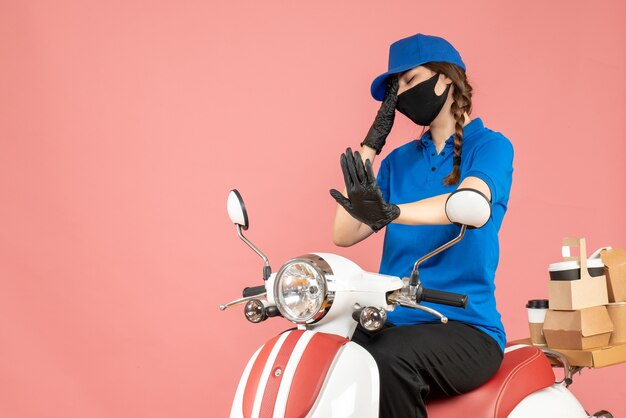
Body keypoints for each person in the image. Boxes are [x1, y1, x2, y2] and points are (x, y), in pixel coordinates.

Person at [329, 33, 514, 417]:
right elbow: (344, 235)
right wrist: (371, 147)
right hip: (391, 319)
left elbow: (470, 204)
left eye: (411, 81)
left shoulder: (490, 146)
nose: (402, 96)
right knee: (324, 351)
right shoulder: (398, 160)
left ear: (446, 79)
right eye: (395, 92)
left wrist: (393, 211)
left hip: (465, 327)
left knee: (385, 360)